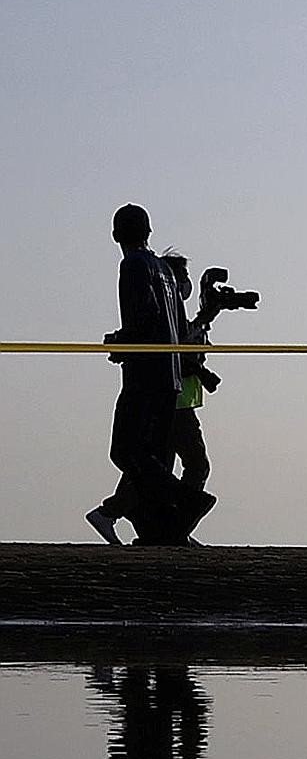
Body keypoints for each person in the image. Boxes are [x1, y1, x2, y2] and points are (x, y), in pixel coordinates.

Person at [85, 205, 214, 546]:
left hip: (146, 375)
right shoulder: (165, 271)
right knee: (152, 456)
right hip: (169, 377)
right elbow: (173, 324)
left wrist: (119, 343)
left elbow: (145, 319)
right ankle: (162, 528)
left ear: (116, 235)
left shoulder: (133, 265)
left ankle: (185, 501)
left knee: (125, 452)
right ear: (149, 232)